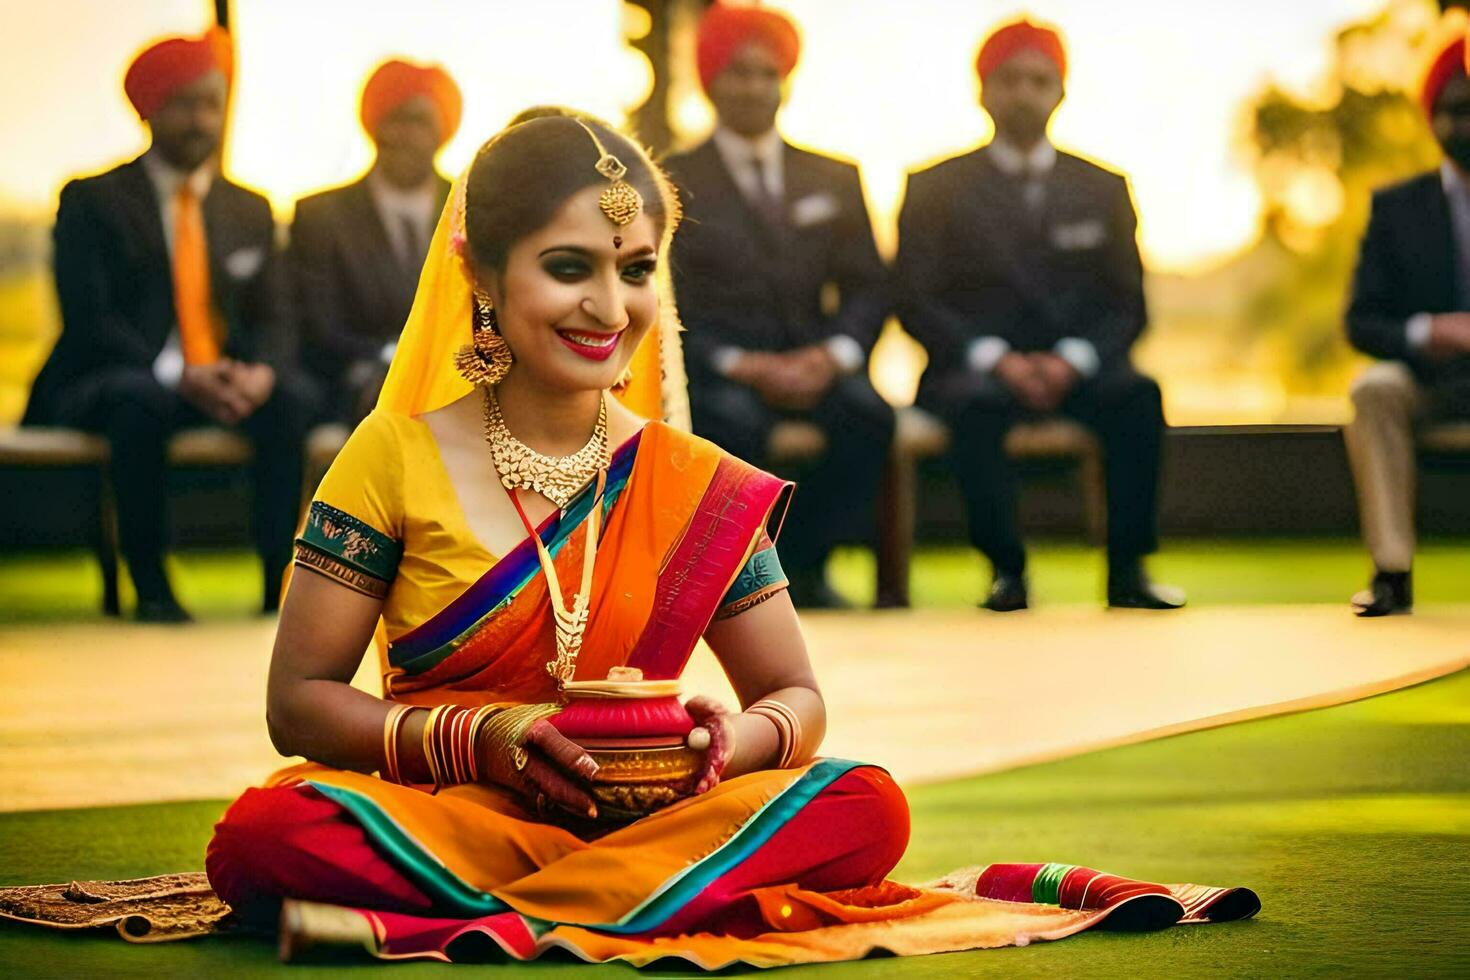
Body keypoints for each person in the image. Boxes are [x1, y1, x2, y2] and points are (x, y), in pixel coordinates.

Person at [198, 114, 1257, 966]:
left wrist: (724, 748)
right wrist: (488, 738)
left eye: (636, 268)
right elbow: (299, 705)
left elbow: (795, 698)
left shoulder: (686, 477)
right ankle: (632, 910)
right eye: (570, 266)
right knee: (265, 834)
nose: (609, 306)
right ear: (479, 270)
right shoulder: (390, 455)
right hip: (460, 813)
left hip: (663, 812)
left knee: (864, 803)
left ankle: (515, 921)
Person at [22, 28, 312, 622]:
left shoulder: (249, 209)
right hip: (115, 378)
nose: (202, 121)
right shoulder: (92, 201)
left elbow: (278, 313)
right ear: (149, 109)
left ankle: (275, 585)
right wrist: (181, 375)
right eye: (186, 105)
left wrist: (261, 373)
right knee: (141, 401)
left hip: (222, 382)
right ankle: (150, 584)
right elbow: (89, 320)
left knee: (291, 399)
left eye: (212, 105)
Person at [896, 18, 1183, 613]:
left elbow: (1127, 302)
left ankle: (1129, 570)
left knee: (1139, 396)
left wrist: (1071, 361)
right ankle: (1007, 571)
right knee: (976, 406)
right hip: (972, 369)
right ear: (982, 90)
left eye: (1038, 80)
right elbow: (917, 298)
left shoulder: (1103, 187)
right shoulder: (933, 188)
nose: (1023, 93)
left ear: (1060, 91)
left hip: (1080, 369)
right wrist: (996, 360)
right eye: (1008, 80)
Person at [663, 3, 894, 608]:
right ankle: (736, 587)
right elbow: (664, 299)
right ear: (711, 82)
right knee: (731, 426)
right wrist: (738, 363)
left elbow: (868, 285)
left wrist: (834, 355)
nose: (755, 87)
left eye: (769, 73)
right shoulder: (671, 180)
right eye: (739, 72)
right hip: (721, 373)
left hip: (817, 366)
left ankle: (809, 570)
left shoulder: (834, 177)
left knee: (867, 415)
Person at [1343, 37, 1470, 617]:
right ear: (1433, 118)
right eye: (1455, 109)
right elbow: (1361, 320)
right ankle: (1391, 572)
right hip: (1431, 380)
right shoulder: (1397, 209)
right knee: (1373, 389)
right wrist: (1426, 333)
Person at [290, 59, 459, 423]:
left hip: (454, 380)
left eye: (421, 122)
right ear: (374, 125)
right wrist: (392, 358)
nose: (406, 135)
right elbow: (320, 327)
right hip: (355, 385)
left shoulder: (472, 209)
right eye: (396, 119)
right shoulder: (320, 216)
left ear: (443, 129)